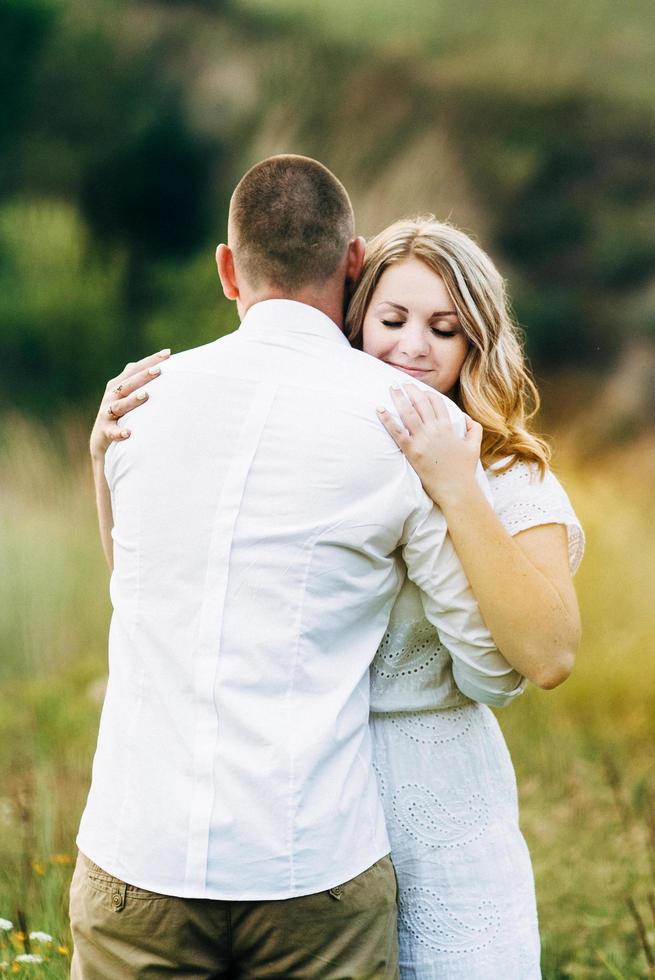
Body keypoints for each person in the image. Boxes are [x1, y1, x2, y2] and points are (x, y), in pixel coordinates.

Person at [72, 157, 524, 980]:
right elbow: (491, 664)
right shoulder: (404, 423)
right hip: (308, 864)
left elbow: (134, 588)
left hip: (135, 853)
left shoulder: (137, 401)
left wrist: (96, 457)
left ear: (225, 269)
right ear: (354, 265)